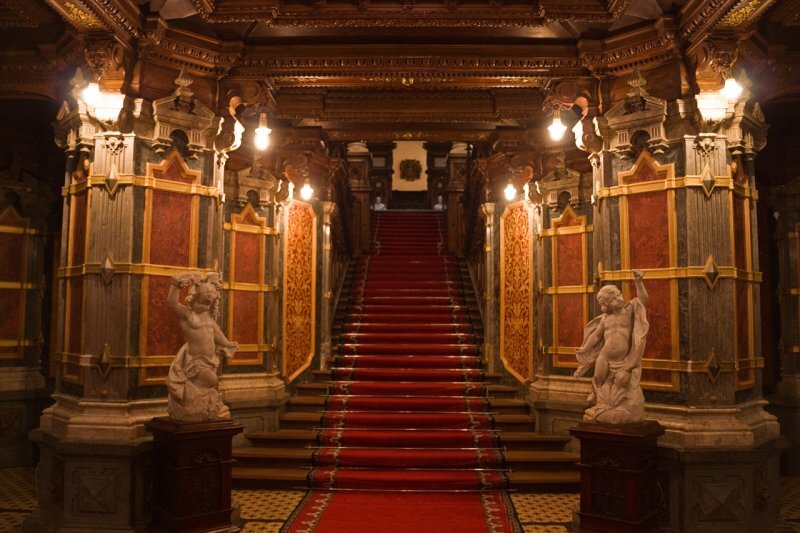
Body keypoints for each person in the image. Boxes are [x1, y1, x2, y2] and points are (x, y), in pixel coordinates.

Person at [575, 270, 649, 423]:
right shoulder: (605, 319)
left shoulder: (629, 311)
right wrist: (585, 348)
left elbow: (643, 300)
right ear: (607, 303)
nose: (620, 298)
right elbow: (596, 336)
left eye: (619, 295)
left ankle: (621, 406)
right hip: (604, 355)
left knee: (622, 381)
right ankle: (597, 396)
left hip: (623, 360)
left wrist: (638, 282)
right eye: (615, 298)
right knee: (598, 377)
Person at [166, 272, 239, 421]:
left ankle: (200, 404)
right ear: (195, 299)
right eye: (203, 302)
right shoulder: (188, 315)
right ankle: (192, 399)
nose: (206, 306)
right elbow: (172, 304)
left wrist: (228, 344)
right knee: (212, 381)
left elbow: (217, 334)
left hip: (209, 361)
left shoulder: (208, 317)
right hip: (195, 361)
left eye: (208, 304)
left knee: (211, 383)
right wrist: (175, 285)